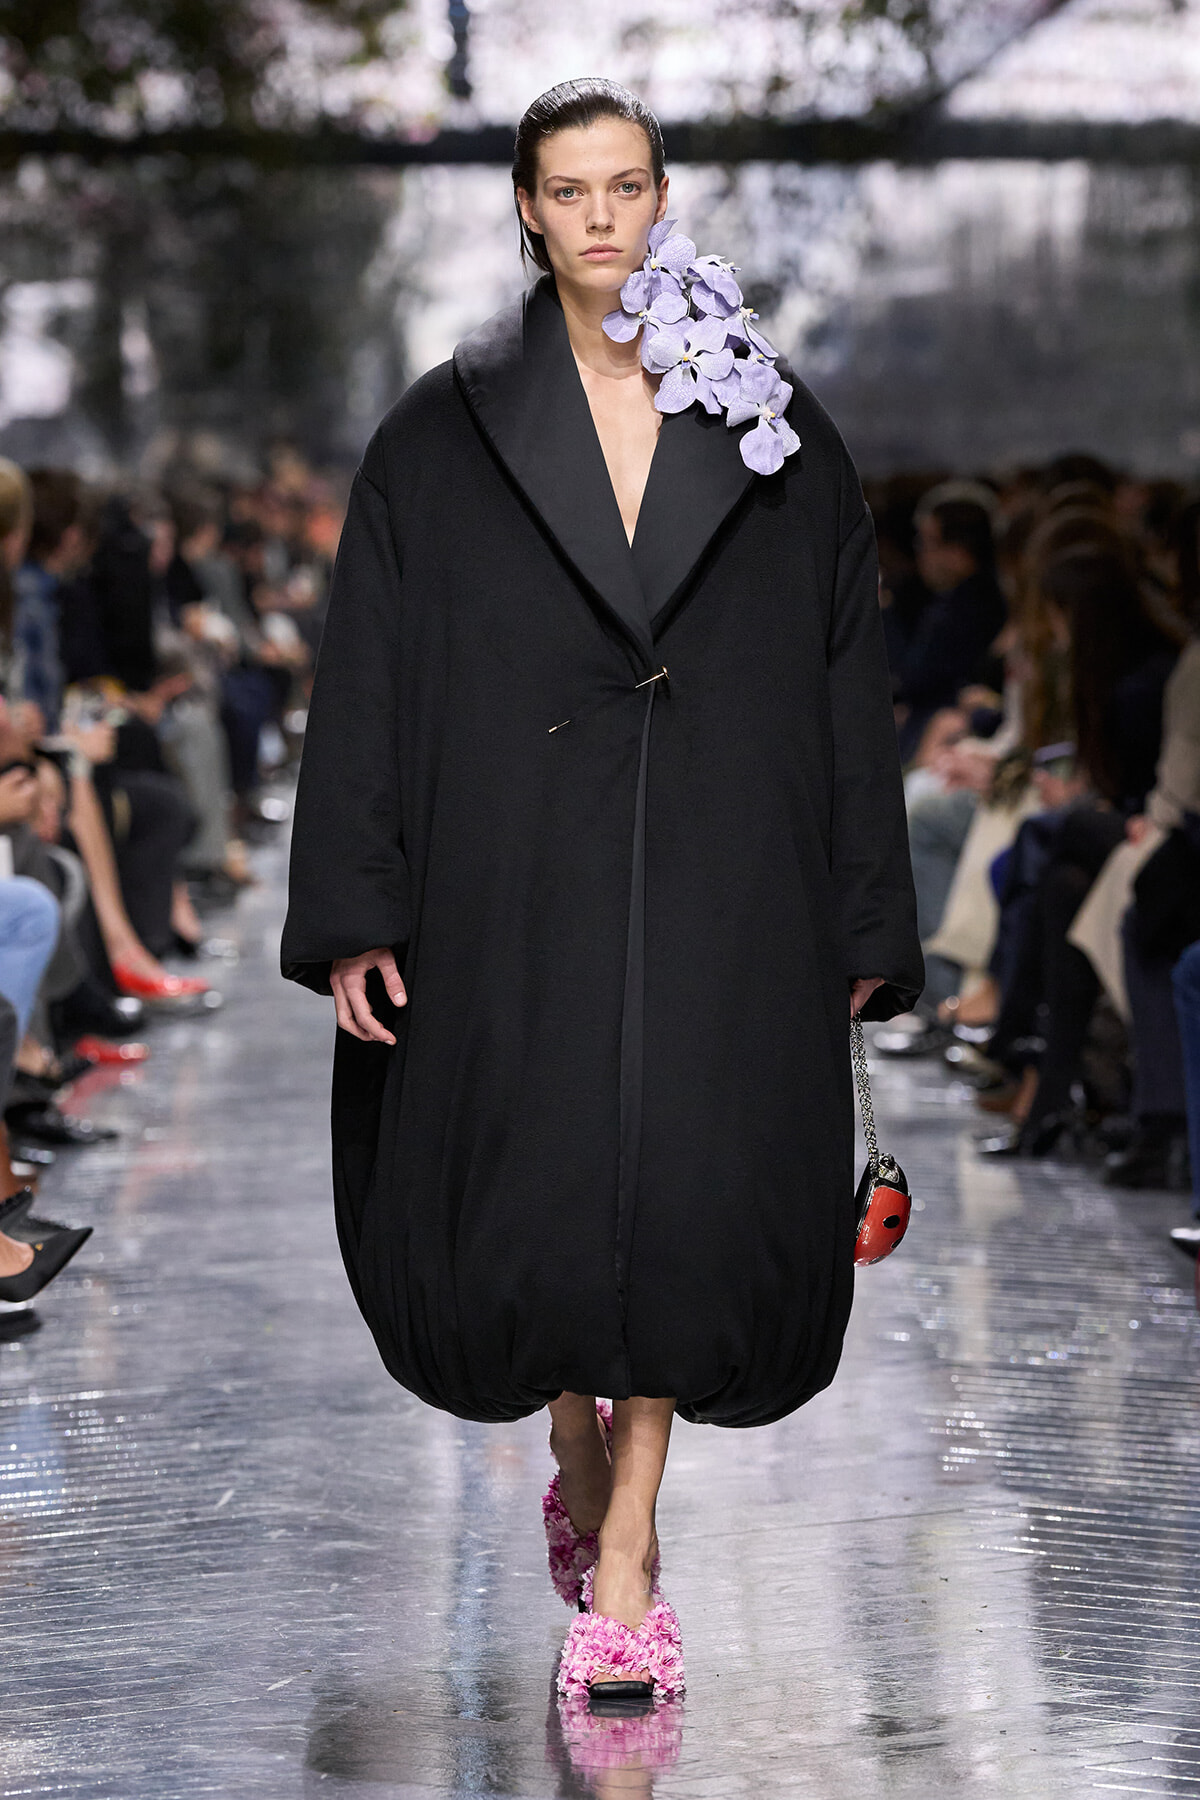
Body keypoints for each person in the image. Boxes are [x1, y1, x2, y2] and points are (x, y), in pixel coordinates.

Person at [281, 77, 921, 1706]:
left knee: (688, 1191)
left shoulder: (772, 424)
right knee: (550, 1189)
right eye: (568, 191)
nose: (600, 218)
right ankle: (575, 1445)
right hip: (511, 863)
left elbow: (846, 679)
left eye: (626, 186)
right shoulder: (441, 431)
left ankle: (626, 1551)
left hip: (728, 863)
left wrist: (862, 911)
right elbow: (368, 669)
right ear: (526, 206)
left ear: (661, 196)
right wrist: (356, 902)